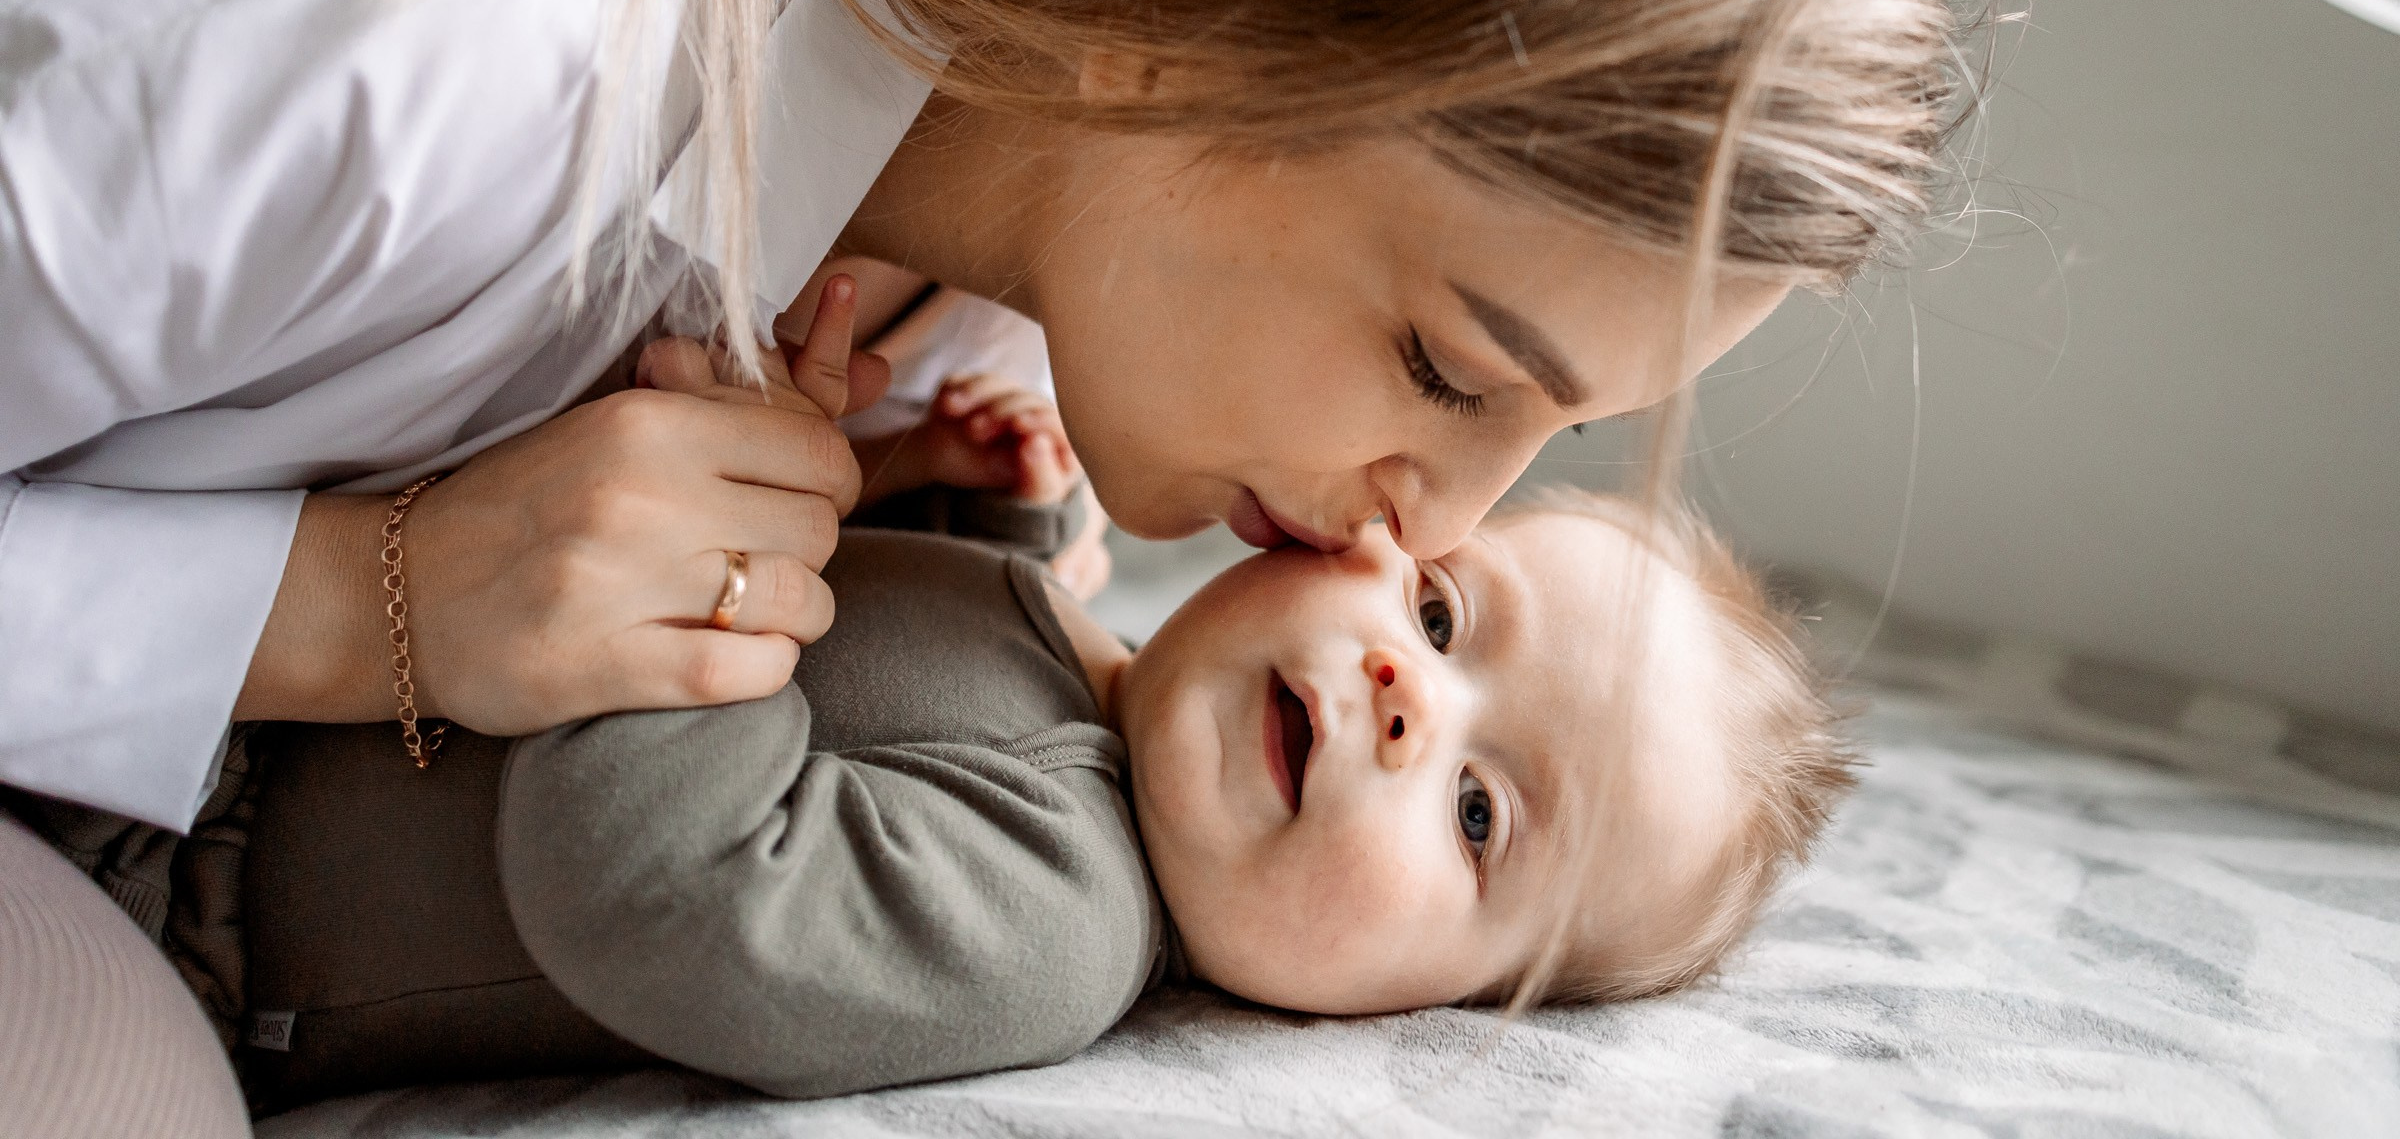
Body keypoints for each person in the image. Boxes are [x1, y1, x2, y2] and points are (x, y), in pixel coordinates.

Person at [0, 0, 1983, 1130]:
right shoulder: (457, 44)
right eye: (1451, 369)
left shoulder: (1000, 307)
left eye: (1545, 434)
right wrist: (369, 604)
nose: (1429, 530)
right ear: (1182, 22)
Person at [161, 317, 1847, 1113]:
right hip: (245, 676)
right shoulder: (1086, 660)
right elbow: (907, 673)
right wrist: (973, 511)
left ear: (1426, 1001)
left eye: (1480, 814)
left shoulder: (1058, 925)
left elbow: (667, 893)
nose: (1412, 700)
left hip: (197, 894)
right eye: (1441, 612)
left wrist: (725, 560)